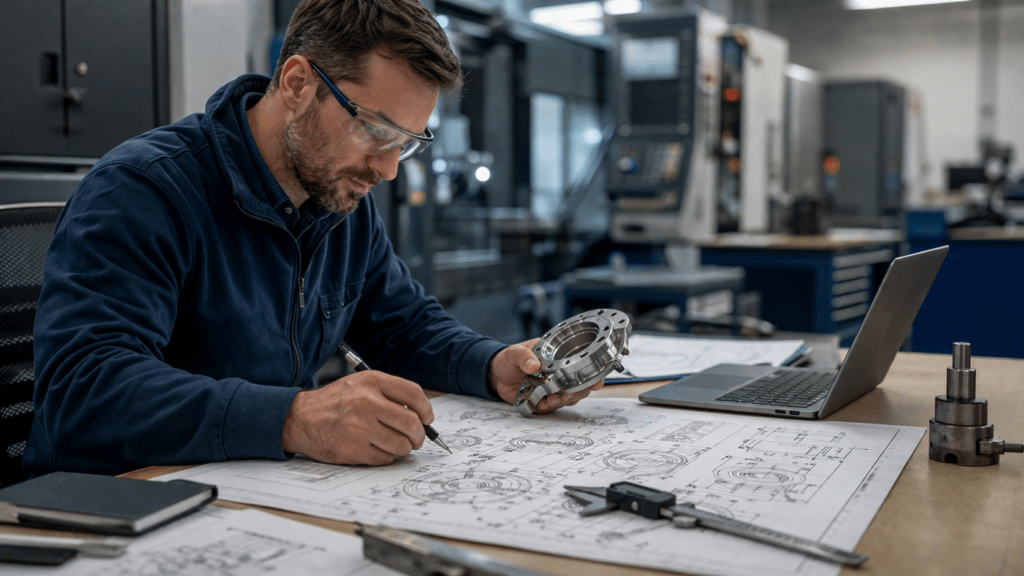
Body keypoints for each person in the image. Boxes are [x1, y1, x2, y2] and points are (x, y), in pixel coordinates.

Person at [24, 0, 603, 477]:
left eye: (407, 141)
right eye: (376, 130)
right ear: (298, 83)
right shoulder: (144, 189)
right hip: (114, 504)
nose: (388, 168)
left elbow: (403, 326)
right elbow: (84, 388)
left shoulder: (338, 199)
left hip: (255, 486)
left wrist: (493, 364)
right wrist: (294, 417)